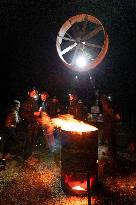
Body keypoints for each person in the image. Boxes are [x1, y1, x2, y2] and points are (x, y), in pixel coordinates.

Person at [20, 87, 40, 160]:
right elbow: (24, 114)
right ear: (29, 93)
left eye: (35, 93)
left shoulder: (34, 101)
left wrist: (37, 115)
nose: (34, 94)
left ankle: (29, 155)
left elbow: (34, 112)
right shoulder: (27, 102)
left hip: (34, 123)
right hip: (29, 124)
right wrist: (34, 113)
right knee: (29, 140)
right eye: (33, 93)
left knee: (32, 140)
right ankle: (26, 156)